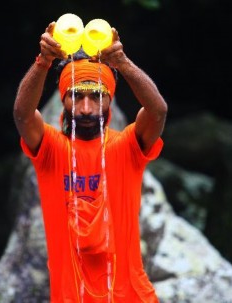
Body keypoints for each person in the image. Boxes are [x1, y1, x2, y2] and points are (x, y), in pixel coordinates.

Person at [13, 20, 167, 303]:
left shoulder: (127, 147)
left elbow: (157, 112)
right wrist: (43, 61)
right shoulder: (51, 150)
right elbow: (23, 115)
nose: (85, 108)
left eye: (96, 97)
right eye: (76, 96)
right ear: (63, 99)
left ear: (109, 99)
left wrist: (122, 62)